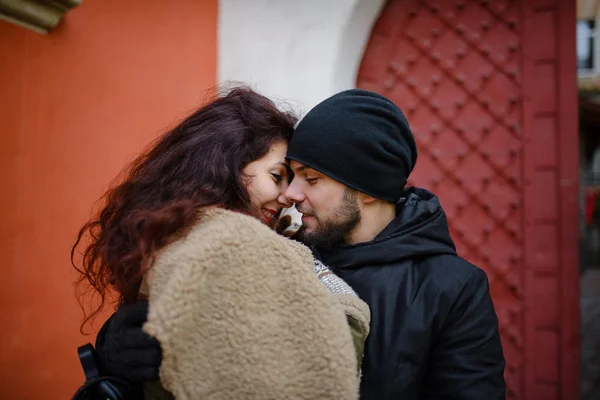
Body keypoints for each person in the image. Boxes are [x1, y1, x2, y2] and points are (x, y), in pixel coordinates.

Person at [95, 89, 506, 399]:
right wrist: (116, 341)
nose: (290, 194)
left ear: (367, 188)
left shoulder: (453, 288)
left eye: (310, 179)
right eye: (287, 176)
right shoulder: (277, 250)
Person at [72, 86, 370, 400]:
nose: (287, 198)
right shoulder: (173, 242)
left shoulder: (275, 250)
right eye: (276, 175)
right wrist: (114, 343)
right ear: (225, 163)